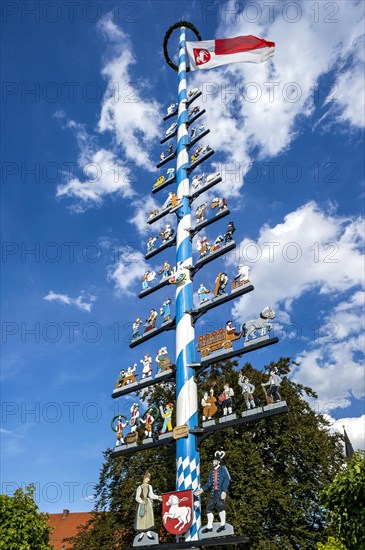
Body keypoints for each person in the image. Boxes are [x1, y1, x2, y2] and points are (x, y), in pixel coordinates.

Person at [195, 451, 231, 534]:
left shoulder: (223, 468)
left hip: (220, 492)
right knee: (208, 509)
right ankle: (209, 526)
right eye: (213, 461)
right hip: (212, 493)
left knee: (221, 507)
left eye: (215, 461)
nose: (213, 462)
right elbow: (209, 483)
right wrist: (202, 490)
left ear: (218, 462)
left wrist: (224, 491)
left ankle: (222, 525)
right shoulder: (211, 472)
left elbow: (227, 479)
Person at [135, 472, 162, 542]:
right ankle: (142, 532)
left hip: (148, 503)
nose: (148, 480)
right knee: (141, 517)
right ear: (144, 478)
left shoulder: (149, 486)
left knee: (149, 517)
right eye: (147, 478)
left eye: (149, 478)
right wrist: (141, 501)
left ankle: (148, 532)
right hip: (142, 503)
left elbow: (151, 495)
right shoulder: (140, 487)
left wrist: (158, 497)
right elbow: (137, 497)